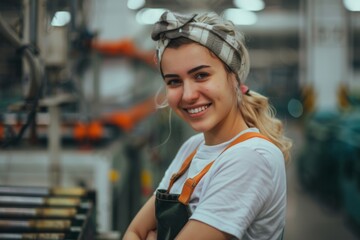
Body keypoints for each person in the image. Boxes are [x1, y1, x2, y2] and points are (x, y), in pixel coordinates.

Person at [123, 10, 292, 240]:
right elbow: (133, 232)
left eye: (201, 75)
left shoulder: (251, 158)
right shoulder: (192, 148)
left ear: (233, 77)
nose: (188, 95)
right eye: (174, 81)